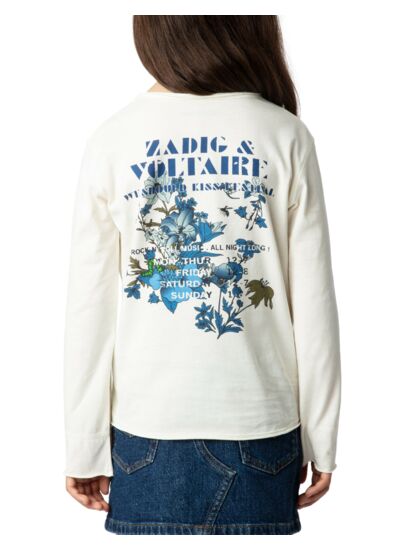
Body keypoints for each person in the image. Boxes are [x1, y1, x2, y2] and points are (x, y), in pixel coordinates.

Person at [63, 15, 341, 535]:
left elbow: (89, 311)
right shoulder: (284, 135)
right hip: (262, 431)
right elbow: (315, 306)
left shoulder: (113, 139)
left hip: (145, 435)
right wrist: (322, 438)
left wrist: (83, 446)